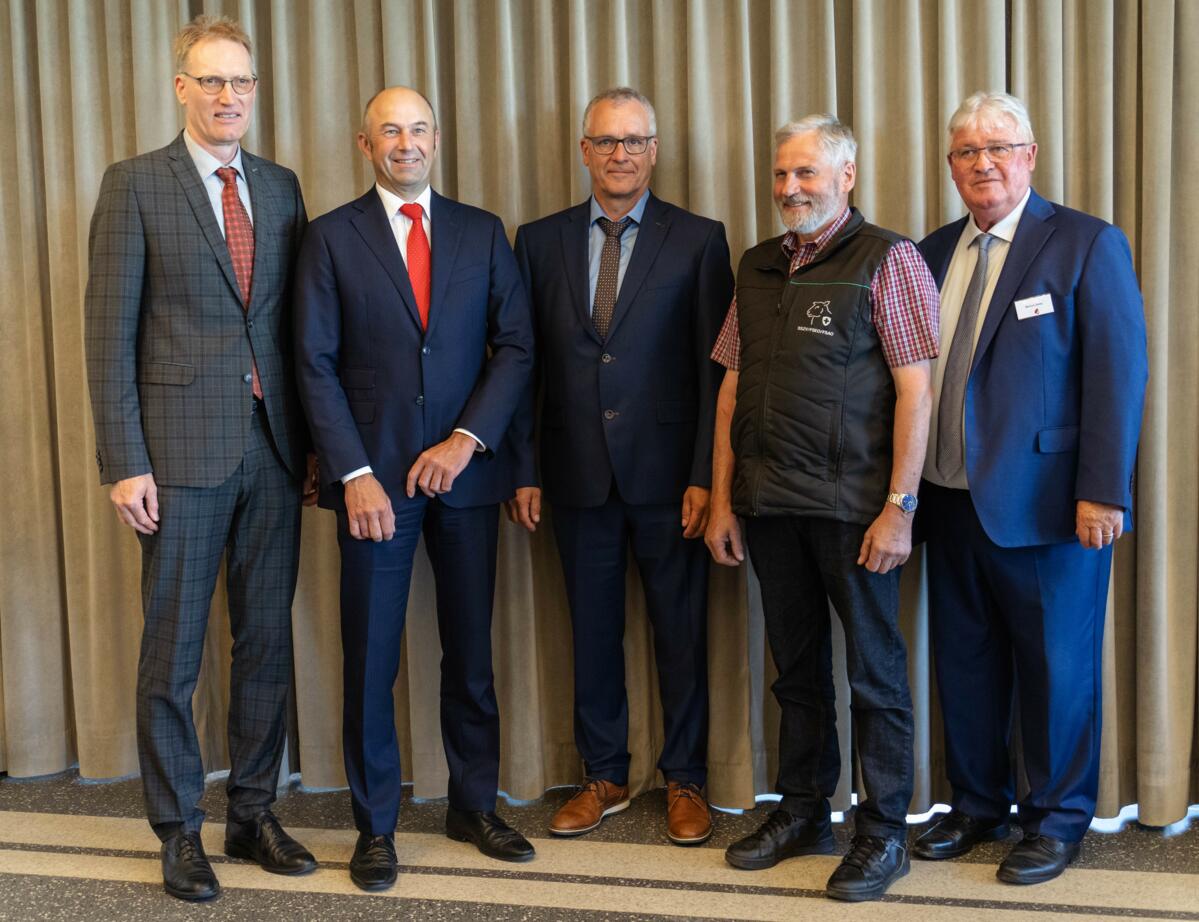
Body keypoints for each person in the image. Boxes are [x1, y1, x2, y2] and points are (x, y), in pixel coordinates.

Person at [84, 14, 318, 903]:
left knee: (265, 642)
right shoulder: (136, 184)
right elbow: (107, 337)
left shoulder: (282, 185)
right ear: (181, 88)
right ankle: (179, 829)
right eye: (212, 82)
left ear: (255, 93)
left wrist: (312, 447)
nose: (228, 97)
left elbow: (294, 327)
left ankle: (253, 812)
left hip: (272, 450)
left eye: (242, 84)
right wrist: (123, 461)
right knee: (173, 651)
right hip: (175, 457)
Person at [294, 86, 536, 893]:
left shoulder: (480, 231)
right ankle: (375, 827)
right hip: (373, 485)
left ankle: (473, 804)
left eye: (419, 128)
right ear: (365, 144)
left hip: (463, 478)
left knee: (469, 654)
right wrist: (353, 475)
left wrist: (466, 442)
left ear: (438, 138)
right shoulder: (329, 238)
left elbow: (515, 347)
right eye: (391, 130)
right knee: (370, 659)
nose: (407, 142)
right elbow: (313, 364)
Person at [912, 92, 1148, 885]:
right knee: (964, 662)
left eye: (997, 148)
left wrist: (1103, 492)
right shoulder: (929, 251)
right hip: (945, 499)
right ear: (949, 167)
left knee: (1055, 667)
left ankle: (1055, 819)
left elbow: (1117, 376)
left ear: (1030, 155)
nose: (981, 164)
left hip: (1052, 507)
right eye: (965, 152)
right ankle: (975, 806)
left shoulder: (1083, 242)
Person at [705, 114, 940, 902]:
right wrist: (724, 501)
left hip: (854, 512)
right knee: (795, 674)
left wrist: (898, 508)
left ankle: (881, 835)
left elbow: (916, 389)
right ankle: (803, 811)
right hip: (769, 505)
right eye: (780, 174)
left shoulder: (889, 259)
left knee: (875, 677)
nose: (789, 189)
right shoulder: (756, 265)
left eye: (805, 173)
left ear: (845, 176)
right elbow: (731, 387)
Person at [508, 87, 733, 845]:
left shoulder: (699, 240)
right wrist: (523, 467)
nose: (619, 154)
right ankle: (601, 774)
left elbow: (717, 371)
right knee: (592, 631)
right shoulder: (536, 243)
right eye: (605, 141)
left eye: (633, 141)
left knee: (679, 632)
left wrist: (708, 473)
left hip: (671, 477)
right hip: (573, 474)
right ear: (583, 151)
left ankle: (686, 780)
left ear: (654, 150)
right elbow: (523, 364)